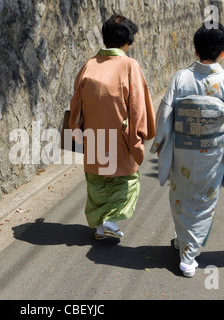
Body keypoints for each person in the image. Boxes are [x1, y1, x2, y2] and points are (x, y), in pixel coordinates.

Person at [150, 24, 224, 277]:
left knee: (181, 197)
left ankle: (184, 244)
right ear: (222, 52)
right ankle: (188, 257)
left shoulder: (181, 77)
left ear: (196, 50)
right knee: (203, 203)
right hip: (212, 154)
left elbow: (165, 114)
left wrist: (161, 144)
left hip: (182, 153)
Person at [69, 14, 156, 241]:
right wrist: (139, 135)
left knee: (98, 184)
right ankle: (109, 222)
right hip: (120, 137)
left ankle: (101, 227)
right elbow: (138, 105)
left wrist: (75, 128)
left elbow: (76, 104)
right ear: (127, 41)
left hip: (94, 137)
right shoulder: (129, 65)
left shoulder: (89, 65)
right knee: (126, 183)